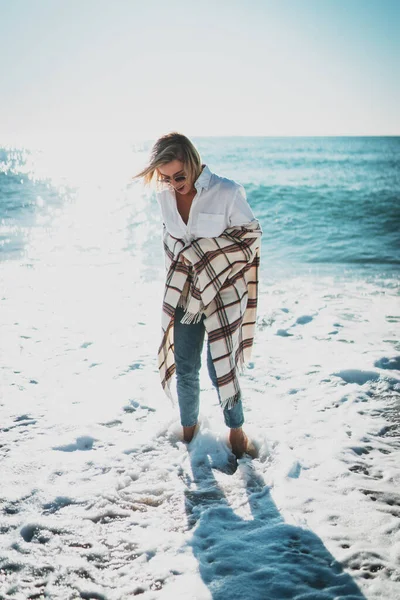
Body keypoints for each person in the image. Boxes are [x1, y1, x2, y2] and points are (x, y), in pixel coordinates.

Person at [132, 132, 262, 458]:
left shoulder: (227, 192)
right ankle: (190, 441)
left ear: (192, 162)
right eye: (166, 178)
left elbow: (250, 238)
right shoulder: (164, 195)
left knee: (221, 370)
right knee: (186, 367)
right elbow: (170, 241)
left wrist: (202, 253)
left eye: (180, 176)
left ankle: (236, 430)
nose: (175, 184)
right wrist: (182, 267)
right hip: (186, 297)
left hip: (222, 295)